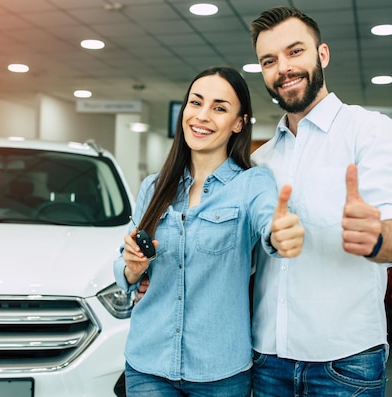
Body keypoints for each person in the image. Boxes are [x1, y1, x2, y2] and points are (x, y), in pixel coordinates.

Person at [248, 6, 392, 396]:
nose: (284, 68)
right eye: (269, 60)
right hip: (265, 358)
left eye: (295, 52)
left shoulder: (371, 131)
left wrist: (376, 236)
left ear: (322, 55)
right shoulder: (260, 161)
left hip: (346, 362)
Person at [113, 66, 305, 397]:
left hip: (219, 372)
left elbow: (268, 221)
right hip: (148, 363)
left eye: (219, 108)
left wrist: (279, 232)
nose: (202, 116)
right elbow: (123, 268)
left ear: (239, 122)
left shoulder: (251, 183)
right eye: (195, 103)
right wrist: (132, 268)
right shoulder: (153, 187)